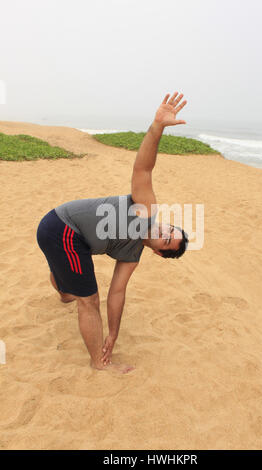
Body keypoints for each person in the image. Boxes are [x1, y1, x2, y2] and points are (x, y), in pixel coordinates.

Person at [36, 91, 189, 374]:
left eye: (167, 239)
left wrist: (114, 333)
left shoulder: (132, 255)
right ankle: (99, 363)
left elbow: (117, 292)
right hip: (62, 228)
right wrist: (157, 127)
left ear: (158, 251)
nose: (164, 230)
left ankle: (63, 289)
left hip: (61, 233)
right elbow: (143, 167)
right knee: (89, 300)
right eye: (170, 228)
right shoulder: (146, 209)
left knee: (74, 285)